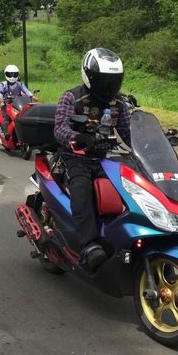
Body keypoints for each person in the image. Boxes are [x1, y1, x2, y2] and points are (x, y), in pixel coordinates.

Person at [53, 48, 131, 272]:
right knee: (82, 188)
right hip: (74, 157)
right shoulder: (72, 97)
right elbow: (60, 128)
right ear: (89, 76)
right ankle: (88, 245)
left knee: (130, 187)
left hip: (105, 158)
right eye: (103, 81)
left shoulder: (119, 103)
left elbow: (128, 131)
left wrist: (153, 144)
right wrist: (78, 138)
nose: (108, 87)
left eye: (113, 81)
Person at [0, 65, 33, 139]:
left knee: (26, 115)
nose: (12, 77)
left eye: (14, 74)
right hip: (7, 104)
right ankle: (6, 133)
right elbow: (0, 93)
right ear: (6, 74)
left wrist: (31, 96)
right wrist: (1, 98)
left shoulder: (20, 84)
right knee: (7, 117)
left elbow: (27, 91)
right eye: (10, 74)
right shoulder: (3, 84)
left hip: (17, 104)